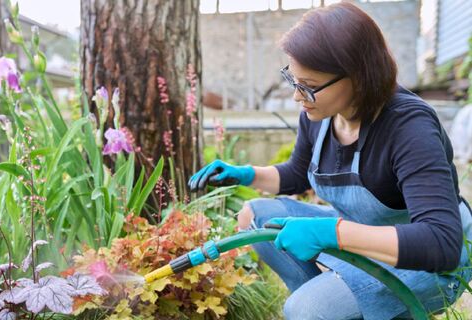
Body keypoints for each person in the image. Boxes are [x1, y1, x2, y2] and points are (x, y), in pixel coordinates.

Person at [188, 3, 472, 319]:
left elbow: (441, 244)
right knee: (256, 216)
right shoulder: (321, 112)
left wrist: (333, 232)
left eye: (308, 87)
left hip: (426, 261)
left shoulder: (409, 127)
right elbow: (297, 173)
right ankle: (339, 304)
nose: (298, 96)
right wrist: (242, 174)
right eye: (294, 81)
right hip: (364, 235)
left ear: (359, 76)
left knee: (306, 309)